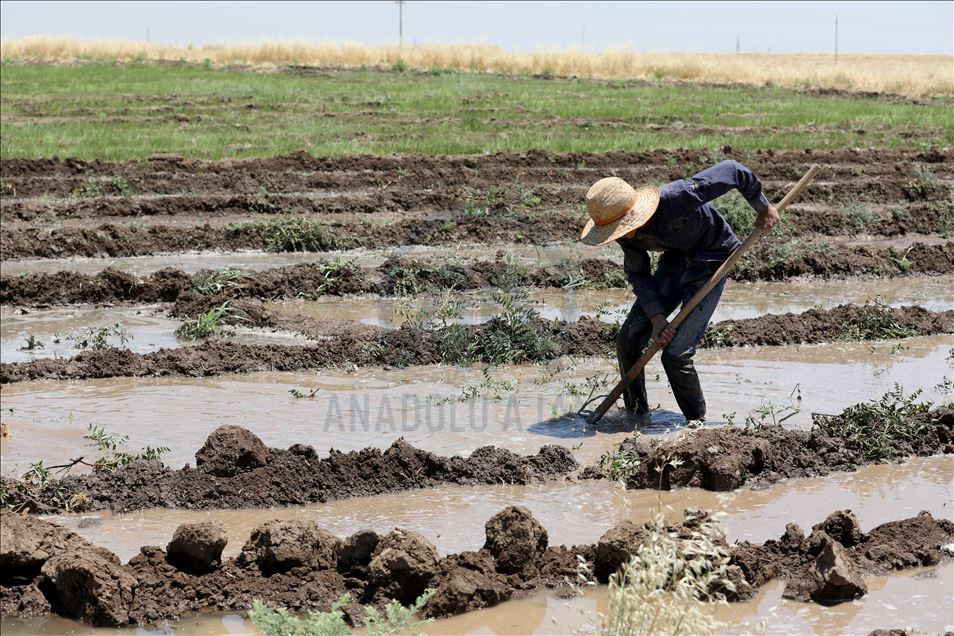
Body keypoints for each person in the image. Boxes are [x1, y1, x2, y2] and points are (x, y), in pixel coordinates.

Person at [579, 160, 779, 428]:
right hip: (675, 260)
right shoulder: (623, 232)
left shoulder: (676, 197)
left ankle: (696, 423)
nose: (622, 235)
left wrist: (763, 207)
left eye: (623, 228)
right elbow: (639, 274)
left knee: (675, 354)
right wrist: (657, 317)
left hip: (713, 260)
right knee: (628, 339)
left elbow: (733, 170)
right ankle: (637, 415)